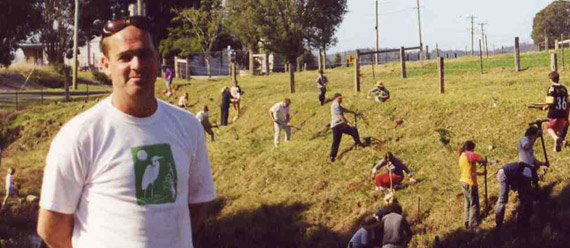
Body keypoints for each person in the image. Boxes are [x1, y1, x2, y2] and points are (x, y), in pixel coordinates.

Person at [37, 16, 216, 248]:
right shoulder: (79, 136)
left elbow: (197, 205)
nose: (137, 65)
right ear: (105, 65)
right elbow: (51, 228)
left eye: (144, 54)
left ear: (157, 59)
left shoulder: (188, 126)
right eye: (124, 57)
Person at [495, 162, 539, 230]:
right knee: (503, 199)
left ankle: (522, 220)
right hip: (503, 174)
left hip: (510, 174)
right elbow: (518, 183)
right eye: (526, 180)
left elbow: (533, 185)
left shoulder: (531, 172)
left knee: (524, 196)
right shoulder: (523, 171)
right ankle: (498, 222)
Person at [457, 140, 486, 229]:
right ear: (471, 148)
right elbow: (480, 159)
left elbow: (470, 171)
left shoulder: (461, 156)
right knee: (474, 203)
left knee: (468, 202)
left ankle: (467, 220)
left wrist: (482, 173)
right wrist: (484, 161)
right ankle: (473, 224)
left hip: (463, 181)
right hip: (470, 183)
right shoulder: (469, 154)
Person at [330, 93, 364, 162]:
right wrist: (348, 122)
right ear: (336, 98)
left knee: (336, 142)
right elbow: (340, 115)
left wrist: (352, 112)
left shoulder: (335, 104)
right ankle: (359, 144)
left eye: (341, 98)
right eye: (340, 98)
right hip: (339, 125)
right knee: (353, 130)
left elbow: (344, 109)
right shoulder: (336, 104)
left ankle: (332, 156)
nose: (341, 99)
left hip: (335, 126)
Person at [543, 71, 568, 152]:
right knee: (557, 130)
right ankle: (556, 148)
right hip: (563, 113)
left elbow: (550, 102)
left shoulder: (551, 89)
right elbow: (567, 101)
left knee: (549, 128)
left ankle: (556, 138)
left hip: (554, 113)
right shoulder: (564, 88)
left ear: (550, 79)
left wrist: (545, 107)